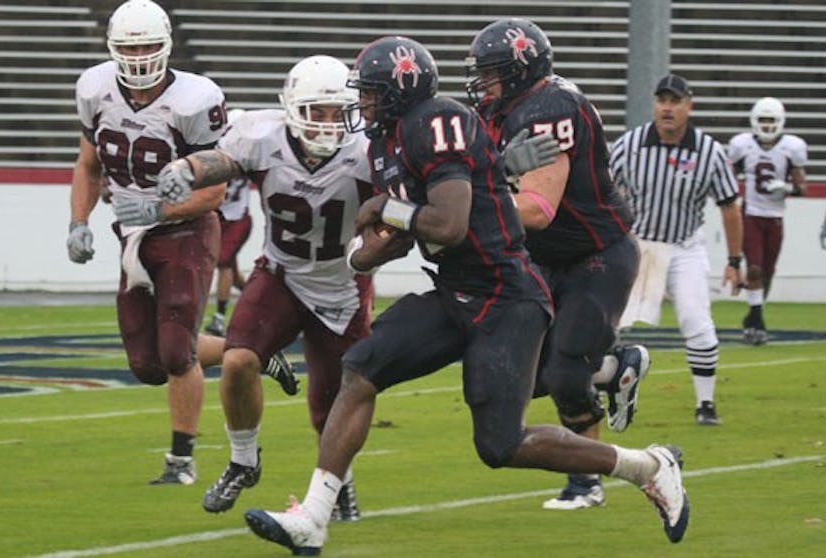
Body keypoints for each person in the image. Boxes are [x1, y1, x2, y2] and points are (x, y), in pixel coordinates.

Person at [232, 37, 688, 555]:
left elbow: (447, 223)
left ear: (400, 92)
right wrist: (363, 255)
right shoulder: (386, 144)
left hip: (507, 296)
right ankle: (313, 516)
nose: (361, 105)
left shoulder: (435, 121)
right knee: (361, 368)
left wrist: (386, 208)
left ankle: (648, 466)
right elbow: (402, 233)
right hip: (456, 291)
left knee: (501, 445)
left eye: (371, 94)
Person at [117, 54, 375, 520]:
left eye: (338, 111)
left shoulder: (368, 151)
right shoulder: (264, 134)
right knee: (237, 360)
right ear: (293, 108)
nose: (329, 122)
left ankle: (340, 484)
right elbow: (223, 160)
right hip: (280, 274)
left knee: (331, 403)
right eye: (318, 110)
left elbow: (400, 205)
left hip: (343, 285)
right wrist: (186, 170)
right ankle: (243, 460)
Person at [66, 0, 296, 487]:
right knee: (147, 364)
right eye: (130, 47)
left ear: (167, 44)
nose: (140, 56)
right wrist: (78, 222)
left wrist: (158, 210)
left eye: (148, 45)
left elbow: (213, 191)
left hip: (188, 230)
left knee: (175, 352)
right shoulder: (95, 88)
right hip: (132, 234)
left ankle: (181, 462)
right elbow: (88, 163)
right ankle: (251, 351)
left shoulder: (195, 98)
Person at [465, 18, 652, 510]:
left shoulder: (551, 108)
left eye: (492, 73)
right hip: (545, 261)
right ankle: (615, 369)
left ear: (522, 71)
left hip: (596, 256)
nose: (483, 83)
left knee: (567, 374)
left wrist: (472, 211)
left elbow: (537, 210)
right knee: (532, 374)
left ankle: (586, 482)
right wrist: (498, 168)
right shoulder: (502, 109)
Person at [610, 74, 744, 426]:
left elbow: (730, 205)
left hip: (685, 244)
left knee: (696, 321)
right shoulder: (631, 144)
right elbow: (604, 191)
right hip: (641, 244)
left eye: (675, 101)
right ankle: (607, 390)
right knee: (612, 323)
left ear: (689, 106)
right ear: (654, 104)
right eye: (662, 100)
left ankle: (705, 403)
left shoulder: (710, 152)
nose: (667, 108)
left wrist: (734, 260)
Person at [727, 97, 808, 345]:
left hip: (776, 218)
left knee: (768, 273)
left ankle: (753, 316)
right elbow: (728, 178)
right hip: (751, 214)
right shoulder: (743, 145)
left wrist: (786, 187)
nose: (767, 125)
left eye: (771, 120)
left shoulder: (791, 148)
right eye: (763, 119)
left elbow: (801, 187)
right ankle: (757, 320)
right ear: (754, 120)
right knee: (754, 269)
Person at [204, 110, 254, 337]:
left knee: (223, 264)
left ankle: (219, 317)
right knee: (231, 273)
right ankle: (259, 298)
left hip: (237, 220)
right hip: (218, 218)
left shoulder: (251, 154)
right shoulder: (215, 152)